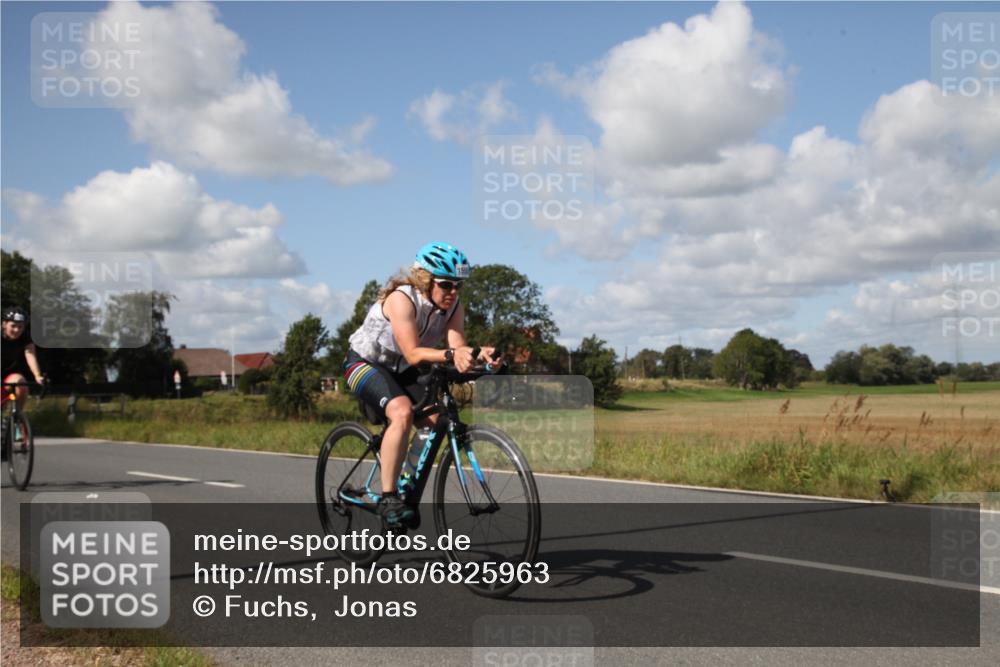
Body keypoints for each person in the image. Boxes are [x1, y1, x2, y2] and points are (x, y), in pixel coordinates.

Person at [344, 242, 501, 526]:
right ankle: (389, 496)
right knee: (402, 412)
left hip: (404, 369)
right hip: (365, 364)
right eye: (446, 285)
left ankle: (406, 481)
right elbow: (414, 353)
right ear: (426, 280)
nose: (453, 292)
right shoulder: (401, 300)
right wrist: (453, 354)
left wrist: (479, 357)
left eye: (458, 286)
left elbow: (457, 348)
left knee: (435, 418)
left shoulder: (453, 307)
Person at [2, 306, 44, 411]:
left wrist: (37, 375)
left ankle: (17, 416)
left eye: (20, 327)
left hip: (9, 374)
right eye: (13, 326)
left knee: (21, 384)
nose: (16, 330)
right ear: (4, 324)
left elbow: (30, 355)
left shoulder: (25, 337)